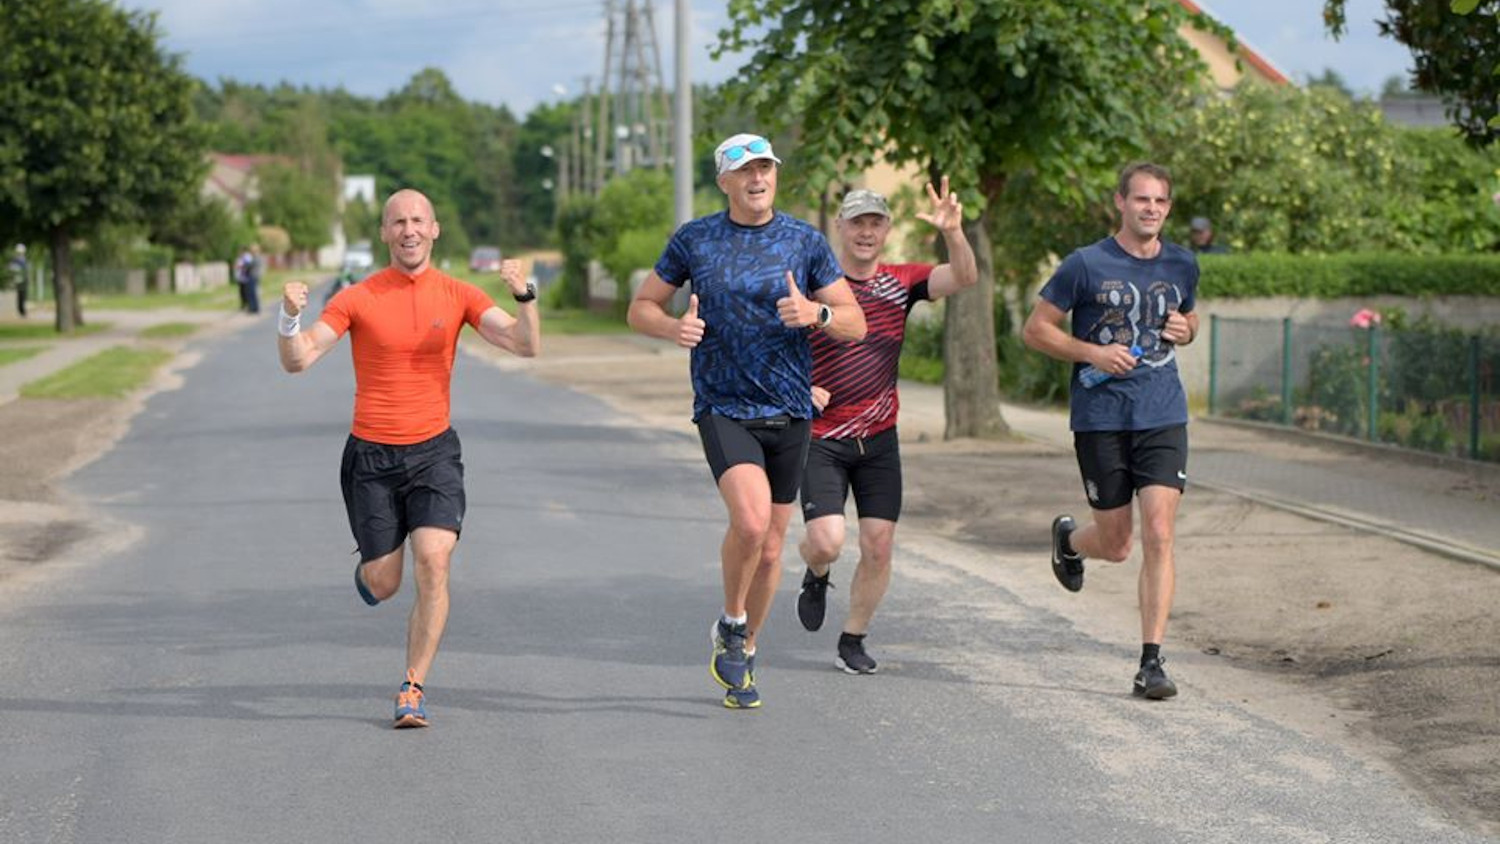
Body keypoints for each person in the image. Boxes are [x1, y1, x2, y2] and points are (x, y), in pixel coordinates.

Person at [276, 188, 540, 728]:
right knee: (384, 583)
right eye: (398, 222)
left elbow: (523, 345)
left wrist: (525, 298)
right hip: (371, 455)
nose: (409, 230)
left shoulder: (458, 294)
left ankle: (412, 687)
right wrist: (287, 319)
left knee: (434, 560)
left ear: (435, 229)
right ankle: (370, 573)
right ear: (384, 233)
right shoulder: (358, 297)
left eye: (418, 220)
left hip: (434, 453)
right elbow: (299, 360)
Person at [627, 133, 867, 709]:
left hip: (789, 408)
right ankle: (731, 619)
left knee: (770, 547)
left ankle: (745, 654)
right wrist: (672, 329)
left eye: (766, 168)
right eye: (746, 170)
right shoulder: (696, 239)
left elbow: (855, 323)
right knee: (753, 523)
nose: (758, 178)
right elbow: (641, 307)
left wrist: (817, 312)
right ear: (724, 181)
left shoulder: (804, 241)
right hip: (724, 405)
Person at [1020, 162, 1200, 701]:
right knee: (1118, 545)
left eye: (1161, 202)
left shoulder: (1182, 263)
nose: (1151, 209)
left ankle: (1151, 662)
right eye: (1141, 200)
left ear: (1168, 207)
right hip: (1101, 417)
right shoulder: (1085, 265)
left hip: (1163, 412)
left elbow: (1190, 322)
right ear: (1119, 202)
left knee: (1160, 533)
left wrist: (1186, 330)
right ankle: (1070, 540)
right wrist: (1093, 352)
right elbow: (1036, 331)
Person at [794, 180, 977, 675]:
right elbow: (774, 344)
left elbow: (963, 277)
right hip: (821, 438)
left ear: (887, 230)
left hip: (878, 441)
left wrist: (954, 233)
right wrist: (799, 388)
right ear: (839, 228)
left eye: (875, 222)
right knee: (827, 540)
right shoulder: (813, 286)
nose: (866, 232)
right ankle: (816, 570)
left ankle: (852, 638)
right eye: (857, 222)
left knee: (878, 544)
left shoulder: (902, 280)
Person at [235, 244, 262, 314]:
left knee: (251, 293)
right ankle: (254, 308)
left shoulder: (255, 258)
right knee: (252, 293)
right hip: (254, 276)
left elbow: (249, 266)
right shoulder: (256, 257)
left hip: (252, 276)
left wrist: (243, 266)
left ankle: (253, 308)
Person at [7, 244, 26, 318]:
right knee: (20, 296)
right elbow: (11, 267)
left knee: (23, 296)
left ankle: (22, 311)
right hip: (18, 280)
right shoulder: (15, 260)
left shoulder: (24, 259)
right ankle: (21, 311)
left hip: (23, 280)